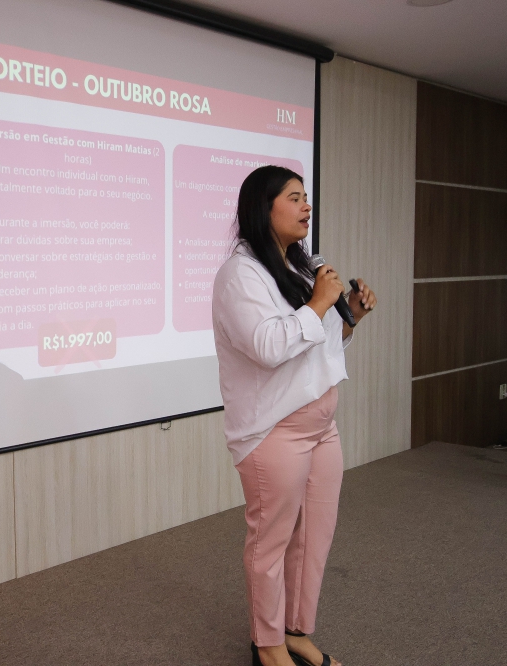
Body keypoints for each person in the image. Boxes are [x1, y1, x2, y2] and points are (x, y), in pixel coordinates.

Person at [211, 166, 376, 666]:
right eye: (295, 197)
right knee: (272, 542)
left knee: (313, 539)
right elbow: (268, 347)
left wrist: (347, 315)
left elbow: (316, 347)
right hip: (274, 432)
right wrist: (320, 303)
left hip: (321, 429)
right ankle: (268, 646)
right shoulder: (240, 275)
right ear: (264, 208)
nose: (307, 206)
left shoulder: (299, 265)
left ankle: (296, 631)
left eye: (306, 197)